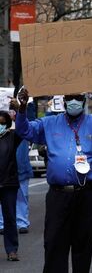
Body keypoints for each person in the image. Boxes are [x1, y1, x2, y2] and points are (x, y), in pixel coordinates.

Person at [15, 83, 92, 273]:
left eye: (77, 98)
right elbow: (24, 130)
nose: (73, 102)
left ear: (83, 101)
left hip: (86, 196)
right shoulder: (49, 123)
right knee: (53, 245)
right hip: (58, 196)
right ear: (64, 102)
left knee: (83, 246)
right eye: (70, 99)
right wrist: (23, 106)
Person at [0, 110, 21, 261]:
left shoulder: (13, 137)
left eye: (2, 123)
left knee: (10, 218)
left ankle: (12, 250)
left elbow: (23, 128)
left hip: (8, 184)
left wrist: (19, 111)